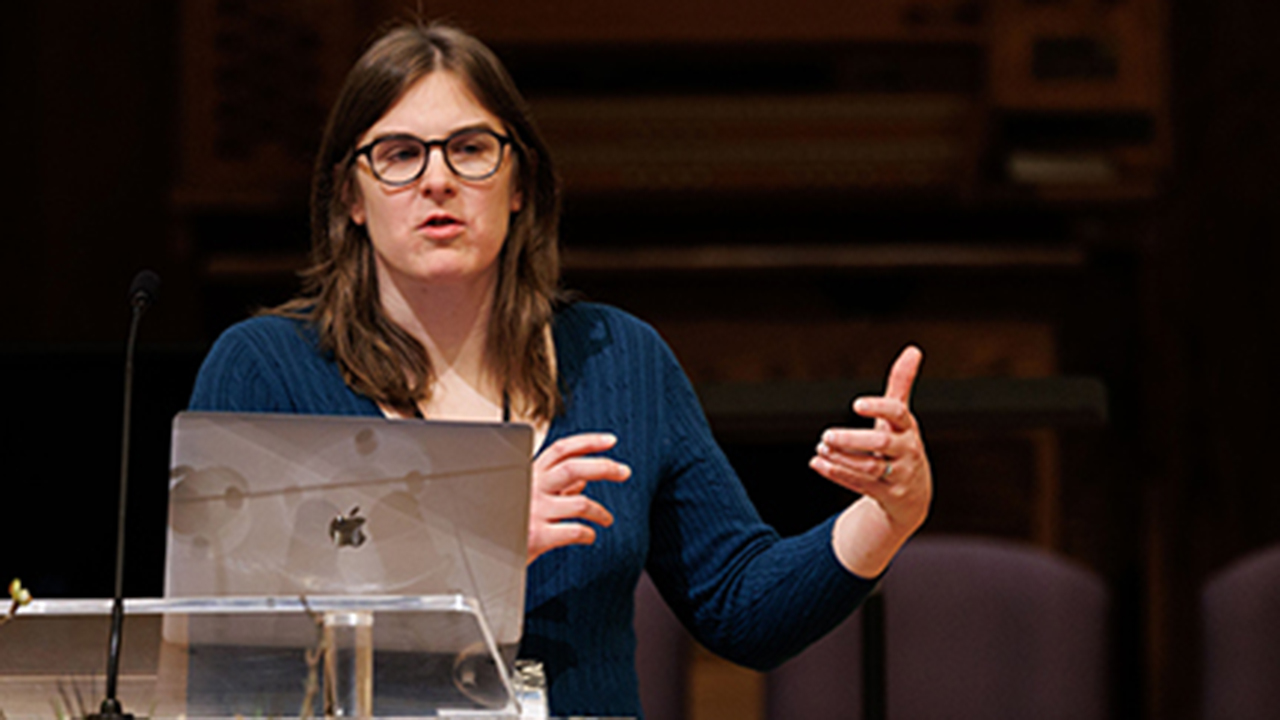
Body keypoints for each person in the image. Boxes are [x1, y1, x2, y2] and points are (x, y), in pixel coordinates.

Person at [188, 21, 933, 716]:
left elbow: (742, 608)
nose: (437, 180)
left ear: (520, 185)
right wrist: (477, 547)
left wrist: (888, 513)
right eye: (400, 154)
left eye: (470, 149)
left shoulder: (620, 358)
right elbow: (225, 657)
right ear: (351, 196)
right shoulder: (266, 371)